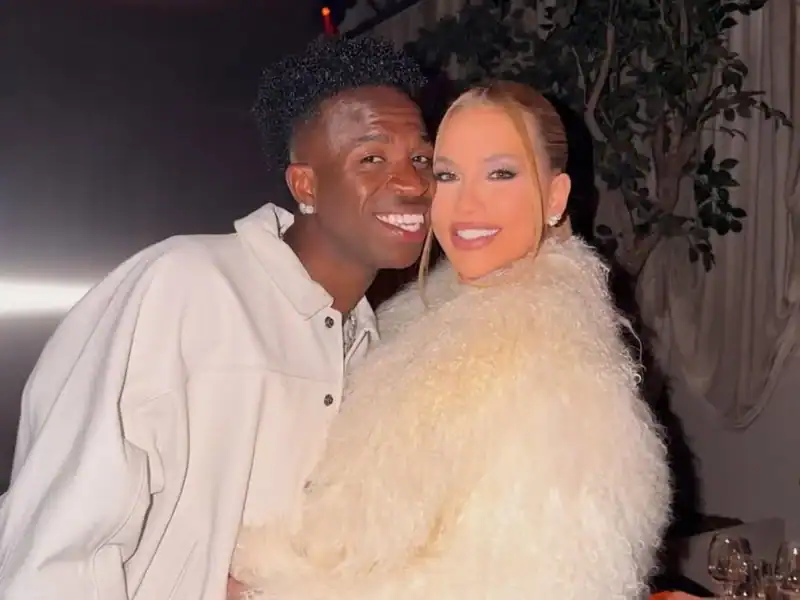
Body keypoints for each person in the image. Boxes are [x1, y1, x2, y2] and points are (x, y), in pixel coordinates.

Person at [0, 36, 434, 599]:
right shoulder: (187, 288)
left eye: (422, 159)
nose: (413, 183)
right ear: (305, 184)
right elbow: (58, 540)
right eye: (372, 158)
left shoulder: (378, 351)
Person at [230, 81, 671, 600]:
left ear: (555, 197)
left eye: (501, 173)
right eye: (446, 175)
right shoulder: (422, 326)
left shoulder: (555, 362)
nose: (467, 203)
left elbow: (546, 584)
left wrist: (263, 587)